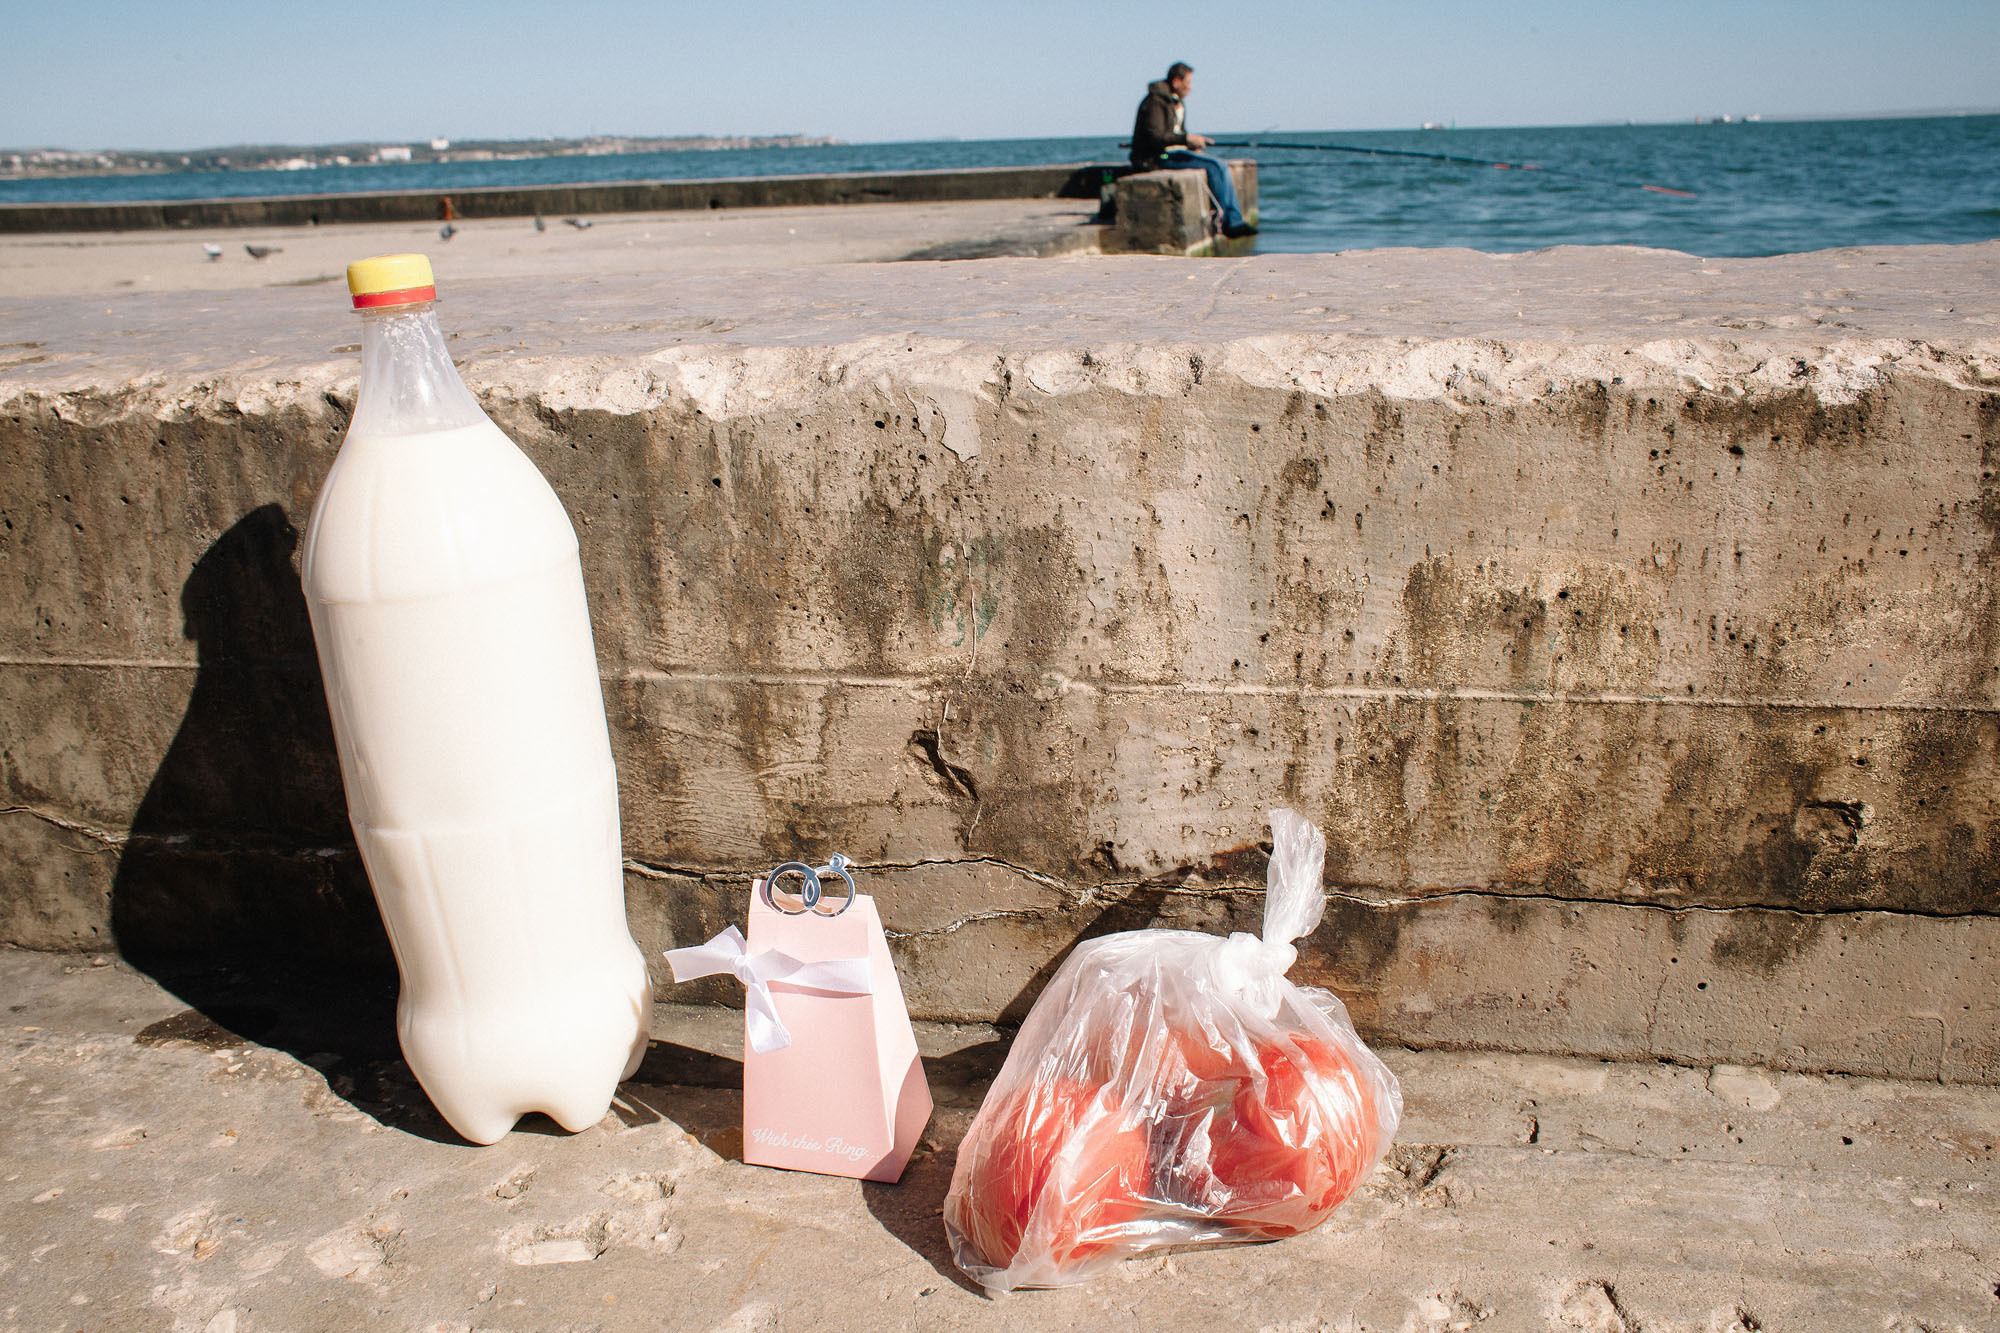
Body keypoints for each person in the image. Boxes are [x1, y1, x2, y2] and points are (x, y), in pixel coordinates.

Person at [1130, 62, 1257, 238]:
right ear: (1176, 81)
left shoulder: (1177, 103)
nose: (1191, 88)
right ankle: (1231, 223)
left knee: (1218, 164)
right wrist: (1186, 139)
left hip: (1173, 152)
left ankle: (1232, 220)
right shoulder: (1155, 102)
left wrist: (1193, 143)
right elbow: (1156, 137)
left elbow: (1177, 133)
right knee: (1216, 166)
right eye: (1188, 83)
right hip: (1155, 157)